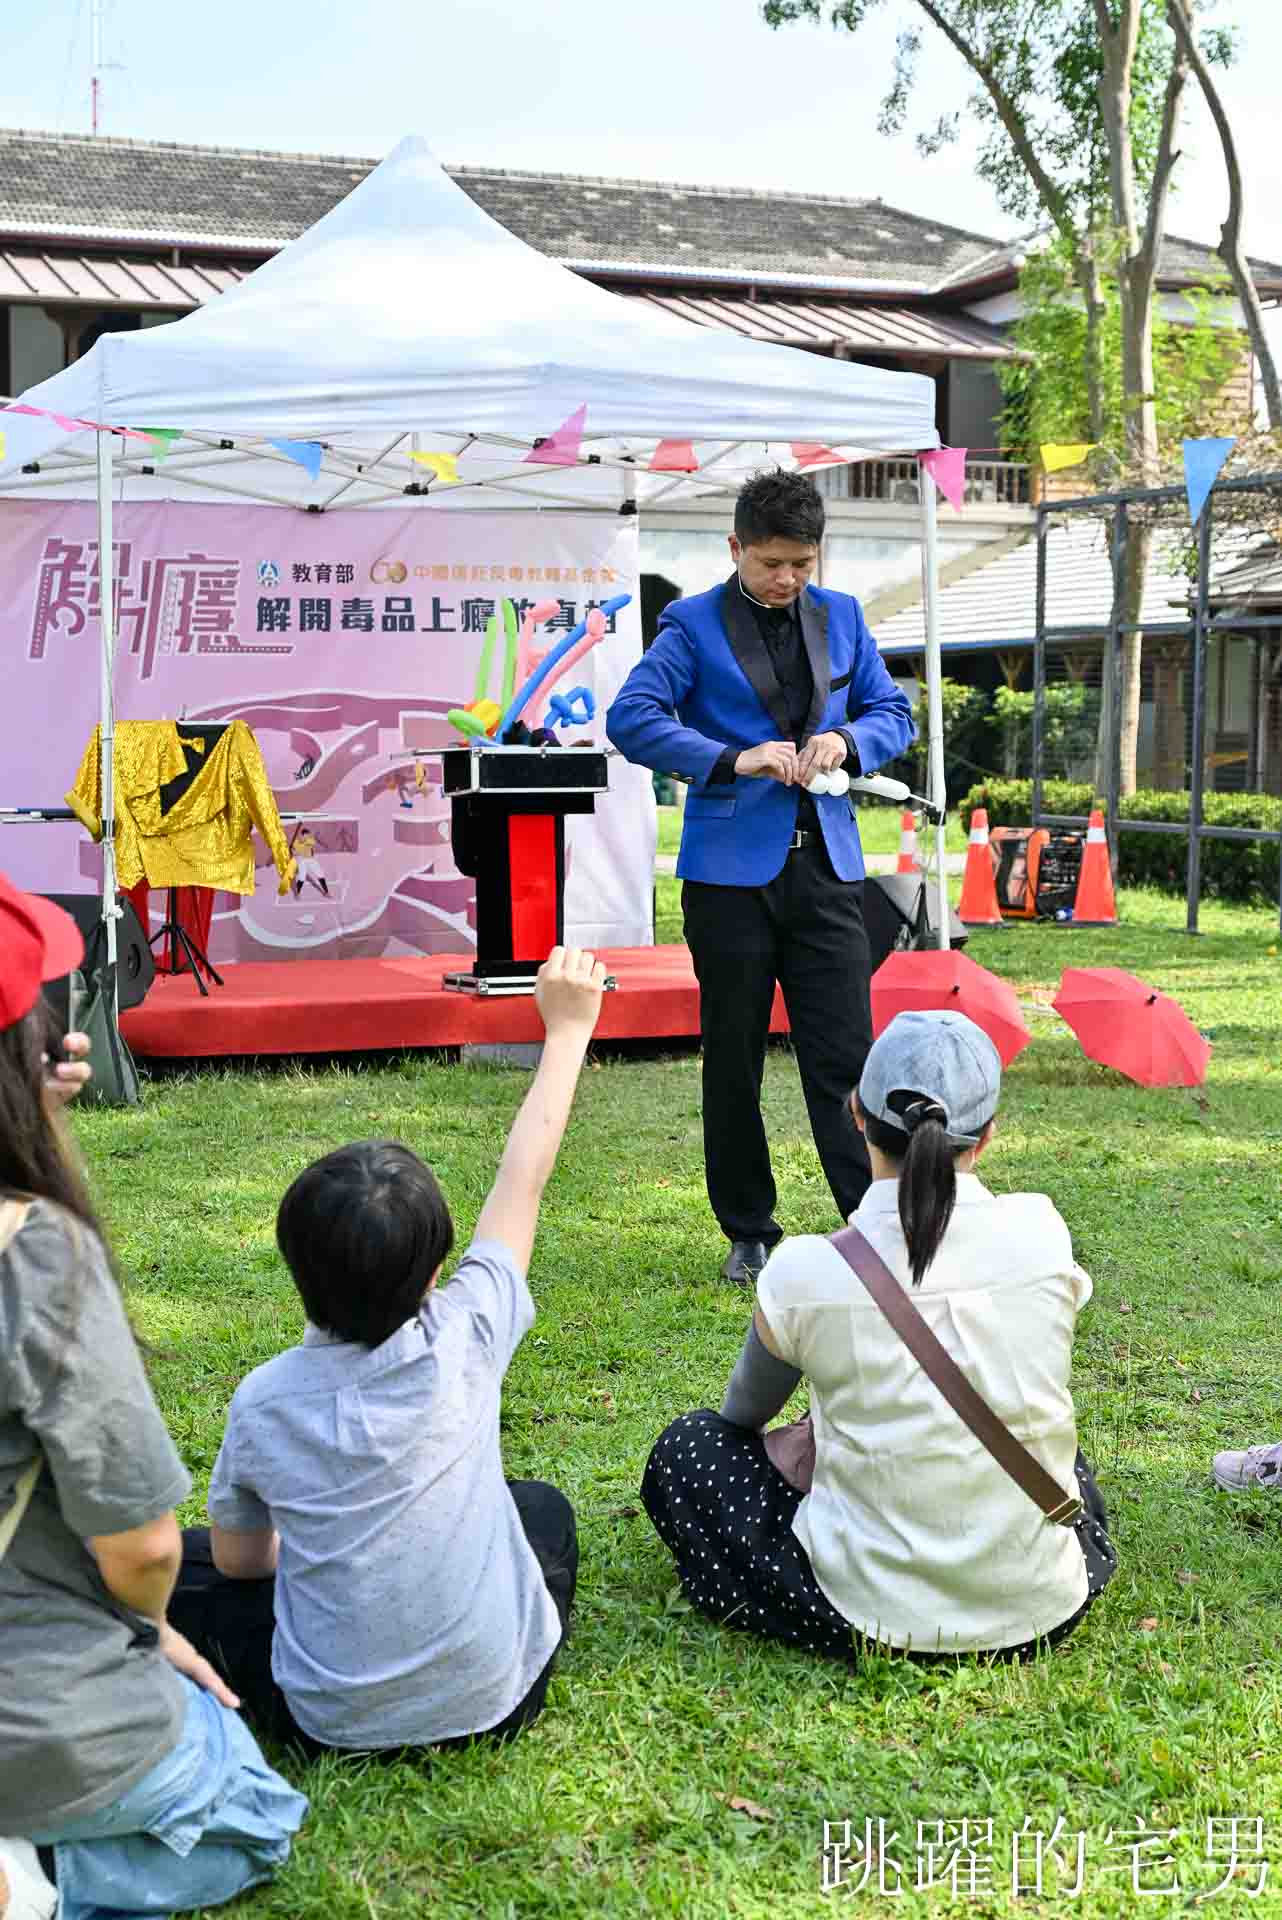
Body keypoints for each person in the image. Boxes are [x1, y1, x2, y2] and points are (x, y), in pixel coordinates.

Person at [167, 946, 606, 1757]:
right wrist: (569, 1032)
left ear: (293, 1268)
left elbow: (239, 1563)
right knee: (540, 1511)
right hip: (498, 1701)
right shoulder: (469, 1330)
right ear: (438, 1272)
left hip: (327, 1725)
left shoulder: (265, 1400)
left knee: (180, 1572)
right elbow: (525, 1181)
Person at [0, 872, 307, 1920]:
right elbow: (143, 1550)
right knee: (251, 1807)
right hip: (32, 1714)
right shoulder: (37, 1257)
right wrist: (143, 1631)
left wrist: (28, 1121)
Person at [641, 1010, 1117, 1661]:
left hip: (870, 1615)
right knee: (1063, 1459)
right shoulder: (1041, 1229)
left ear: (858, 1117)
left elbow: (741, 1417)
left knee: (689, 1449)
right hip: (1043, 1604)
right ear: (988, 1136)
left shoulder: (807, 1269)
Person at [606, 468, 915, 1286]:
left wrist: (848, 741)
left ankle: (872, 1224)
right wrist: (728, 758)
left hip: (830, 871)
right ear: (736, 546)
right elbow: (631, 717)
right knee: (732, 1056)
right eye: (771, 562)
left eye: (802, 564)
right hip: (728, 882)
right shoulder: (689, 624)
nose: (786, 580)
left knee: (847, 1058)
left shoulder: (843, 616)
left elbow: (896, 713)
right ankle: (748, 1229)